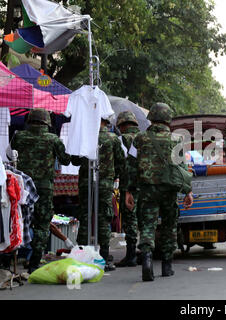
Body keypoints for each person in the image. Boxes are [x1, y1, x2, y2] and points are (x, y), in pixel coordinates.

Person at [125, 103, 193, 281]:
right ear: (168, 119)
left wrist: (129, 191)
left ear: (151, 118)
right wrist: (188, 192)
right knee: (169, 226)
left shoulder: (139, 139)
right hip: (169, 189)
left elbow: (130, 166)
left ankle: (147, 258)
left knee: (148, 225)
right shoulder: (176, 139)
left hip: (147, 189)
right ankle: (167, 265)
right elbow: (181, 168)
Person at [9, 108, 72, 273]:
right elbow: (65, 161)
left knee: (18, 221)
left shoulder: (18, 136)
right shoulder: (53, 139)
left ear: (29, 121)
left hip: (22, 187)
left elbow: (9, 156)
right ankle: (34, 262)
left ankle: (10, 260)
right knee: (43, 224)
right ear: (47, 122)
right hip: (44, 187)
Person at [71, 114, 125, 271]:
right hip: (105, 184)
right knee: (103, 219)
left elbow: (73, 160)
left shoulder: (84, 137)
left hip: (86, 183)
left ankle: (81, 256)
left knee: (85, 217)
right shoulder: (113, 139)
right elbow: (121, 162)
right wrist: (113, 176)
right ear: (106, 121)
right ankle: (105, 258)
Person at [115, 111, 140, 268]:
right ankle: (145, 253)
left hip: (128, 186)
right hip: (147, 186)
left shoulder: (121, 140)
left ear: (122, 125)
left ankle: (131, 256)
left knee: (130, 220)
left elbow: (118, 163)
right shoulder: (145, 139)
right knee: (144, 221)